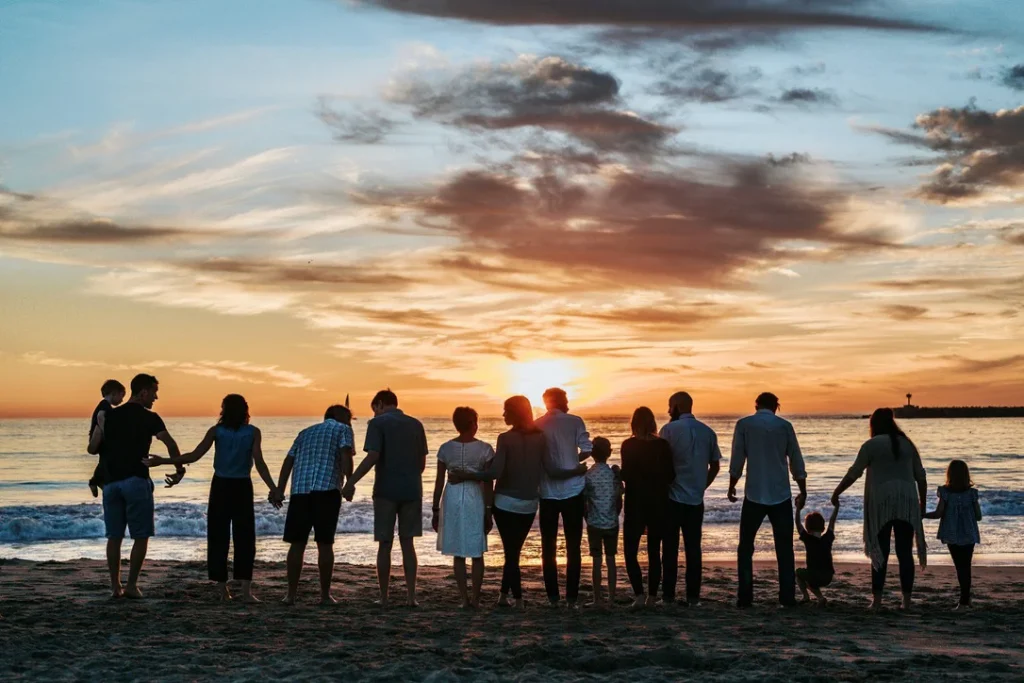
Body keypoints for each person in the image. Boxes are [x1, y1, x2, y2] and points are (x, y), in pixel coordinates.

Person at [448, 395, 582, 609]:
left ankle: (518, 600)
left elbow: (494, 472)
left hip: (505, 503)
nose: (503, 415)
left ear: (514, 413)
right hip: (529, 504)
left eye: (506, 411)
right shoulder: (540, 437)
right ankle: (503, 595)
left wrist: (465, 475)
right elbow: (552, 470)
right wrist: (576, 469)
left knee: (512, 553)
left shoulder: (505, 438)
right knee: (513, 551)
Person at [146, 394, 278, 602]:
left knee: (218, 537)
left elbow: (194, 456)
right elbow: (259, 463)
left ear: (224, 410)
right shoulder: (252, 432)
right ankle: (245, 592)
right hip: (242, 486)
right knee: (245, 538)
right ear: (245, 410)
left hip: (221, 487)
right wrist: (274, 488)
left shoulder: (217, 431)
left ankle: (222, 590)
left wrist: (164, 461)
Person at [87, 373, 185, 599]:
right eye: (153, 392)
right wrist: (179, 470)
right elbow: (170, 443)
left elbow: (93, 449)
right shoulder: (150, 418)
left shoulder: (108, 415)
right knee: (140, 536)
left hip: (111, 484)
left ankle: (115, 587)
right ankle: (131, 585)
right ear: (143, 392)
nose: (156, 397)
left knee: (114, 536)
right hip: (136, 481)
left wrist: (101, 427)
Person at [831, 408, 927, 610]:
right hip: (906, 501)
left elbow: (853, 473)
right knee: (904, 553)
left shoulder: (871, 445)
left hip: (880, 503)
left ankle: (877, 600)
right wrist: (922, 504)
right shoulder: (907, 444)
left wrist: (837, 492)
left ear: (874, 424)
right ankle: (907, 601)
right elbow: (921, 476)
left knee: (879, 551)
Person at [343, 390, 429, 608]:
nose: (374, 414)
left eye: (374, 409)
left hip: (385, 490)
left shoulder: (377, 424)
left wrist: (351, 481)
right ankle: (411, 597)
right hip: (412, 489)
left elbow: (373, 456)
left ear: (379, 404)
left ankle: (384, 597)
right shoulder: (416, 424)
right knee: (407, 543)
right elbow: (421, 464)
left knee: (385, 543)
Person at [728, 391, 807, 608]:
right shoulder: (785, 426)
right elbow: (796, 460)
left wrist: (732, 484)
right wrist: (803, 488)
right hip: (780, 493)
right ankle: (787, 597)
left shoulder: (744, 425)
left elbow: (738, 458)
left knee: (745, 547)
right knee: (784, 548)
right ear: (776, 406)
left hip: (754, 493)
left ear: (756, 405)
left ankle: (745, 597)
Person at [273, 405, 355, 605]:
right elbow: (345, 453)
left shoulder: (305, 432)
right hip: (326, 489)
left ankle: (290, 595)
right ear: (337, 416)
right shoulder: (343, 429)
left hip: (300, 491)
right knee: (325, 544)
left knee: (297, 544)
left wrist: (279, 489)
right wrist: (350, 482)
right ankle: (325, 595)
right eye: (348, 417)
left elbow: (288, 461)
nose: (350, 421)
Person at [659, 392, 721, 607]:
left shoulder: (668, 430)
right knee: (693, 549)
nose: (668, 411)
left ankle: (668, 596)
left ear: (676, 406)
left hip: (673, 497)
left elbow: (660, 463)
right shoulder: (708, 432)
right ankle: (693, 597)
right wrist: (702, 485)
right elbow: (715, 465)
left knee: (669, 549)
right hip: (696, 498)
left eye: (669, 406)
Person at [430, 407, 494, 608]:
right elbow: (488, 483)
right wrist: (489, 510)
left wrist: (435, 509)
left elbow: (439, 482)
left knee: (458, 552)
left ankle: (464, 599)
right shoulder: (485, 449)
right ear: (473, 424)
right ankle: (475, 599)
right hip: (475, 497)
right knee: (476, 551)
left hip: (453, 498)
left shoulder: (445, 449)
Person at [535, 387, 592, 609]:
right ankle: (571, 598)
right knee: (573, 545)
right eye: (566, 398)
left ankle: (552, 598)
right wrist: (572, 459)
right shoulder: (575, 421)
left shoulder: (537, 424)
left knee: (547, 545)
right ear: (562, 400)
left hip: (547, 492)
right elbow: (587, 449)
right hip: (573, 490)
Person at [621, 407, 675, 608]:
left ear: (633, 424)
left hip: (636, 502)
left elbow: (626, 475)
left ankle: (639, 596)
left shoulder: (628, 445)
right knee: (654, 551)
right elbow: (671, 475)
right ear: (653, 423)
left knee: (630, 551)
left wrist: (619, 473)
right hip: (659, 503)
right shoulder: (662, 445)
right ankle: (652, 596)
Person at [924, 460, 981, 610]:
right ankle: (966, 599)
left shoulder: (945, 492)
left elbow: (938, 513)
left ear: (949, 474)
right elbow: (979, 516)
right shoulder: (972, 493)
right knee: (966, 566)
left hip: (951, 533)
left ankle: (963, 602)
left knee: (959, 566)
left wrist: (922, 515)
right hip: (968, 532)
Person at [583, 437, 622, 607]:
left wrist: (587, 518)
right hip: (612, 523)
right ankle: (612, 598)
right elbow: (619, 497)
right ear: (610, 453)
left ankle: (597, 598)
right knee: (611, 560)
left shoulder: (588, 475)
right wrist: (615, 513)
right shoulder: (613, 474)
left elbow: (584, 501)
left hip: (594, 523)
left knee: (597, 562)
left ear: (591, 454)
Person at [795, 499, 839, 606]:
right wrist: (836, 507)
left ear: (808, 529)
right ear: (824, 528)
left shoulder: (808, 539)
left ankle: (806, 596)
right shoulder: (828, 537)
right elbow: (832, 521)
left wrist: (798, 509)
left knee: (798, 573)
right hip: (828, 576)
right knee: (810, 578)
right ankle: (820, 599)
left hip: (815, 576)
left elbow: (797, 523)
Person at [87, 379, 126, 497]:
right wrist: (108, 433)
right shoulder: (105, 405)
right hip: (100, 438)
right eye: (121, 396)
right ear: (114, 393)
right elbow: (100, 417)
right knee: (106, 459)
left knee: (105, 459)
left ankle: (97, 481)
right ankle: (95, 481)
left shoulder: (105, 405)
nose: (122, 400)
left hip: (101, 438)